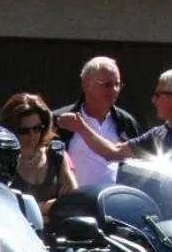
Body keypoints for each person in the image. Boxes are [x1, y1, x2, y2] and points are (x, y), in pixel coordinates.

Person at [55, 66, 172, 175]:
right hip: (162, 225)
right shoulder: (158, 135)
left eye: (158, 95)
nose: (153, 101)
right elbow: (113, 152)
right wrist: (82, 128)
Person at [53, 57, 141, 188]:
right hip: (72, 204)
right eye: (107, 85)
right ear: (86, 84)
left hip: (116, 202)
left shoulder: (126, 122)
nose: (114, 90)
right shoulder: (61, 120)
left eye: (118, 84)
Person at [0, 92, 76, 215]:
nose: (32, 135)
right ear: (11, 130)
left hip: (55, 231)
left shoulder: (56, 155)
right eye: (24, 131)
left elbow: (73, 200)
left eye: (37, 128)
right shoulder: (1, 163)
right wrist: (41, 208)